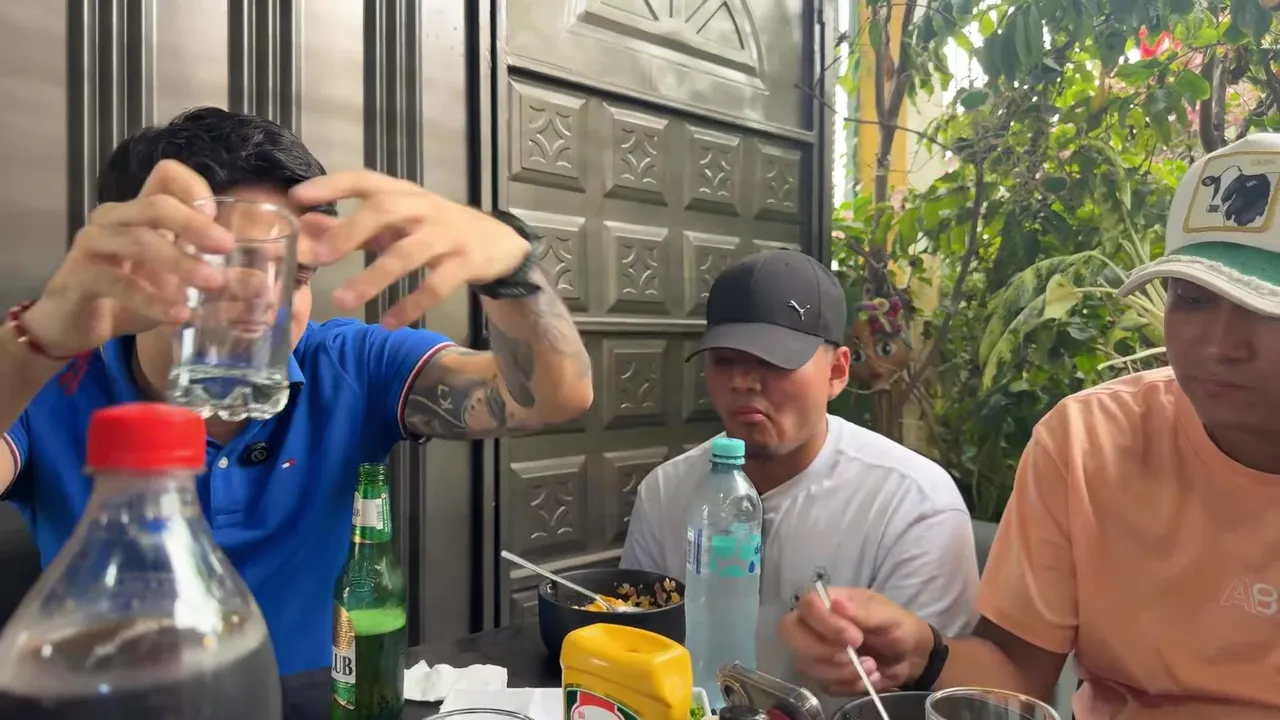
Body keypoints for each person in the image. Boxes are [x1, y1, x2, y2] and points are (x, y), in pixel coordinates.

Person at [0, 107, 593, 675]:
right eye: (226, 264)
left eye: (296, 276)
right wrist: (38, 341)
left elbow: (551, 397)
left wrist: (511, 273)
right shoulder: (46, 378)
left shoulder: (350, 364)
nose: (267, 300)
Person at [780, 133, 1280, 719]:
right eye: (1192, 299)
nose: (1220, 344)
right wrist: (921, 653)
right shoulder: (1090, 442)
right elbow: (1018, 675)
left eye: (1266, 307)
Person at [619, 250, 978, 708]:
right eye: (725, 360)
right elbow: (631, 650)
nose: (743, 382)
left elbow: (935, 701)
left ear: (837, 371)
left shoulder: (913, 504)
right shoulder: (666, 492)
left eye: (773, 360)